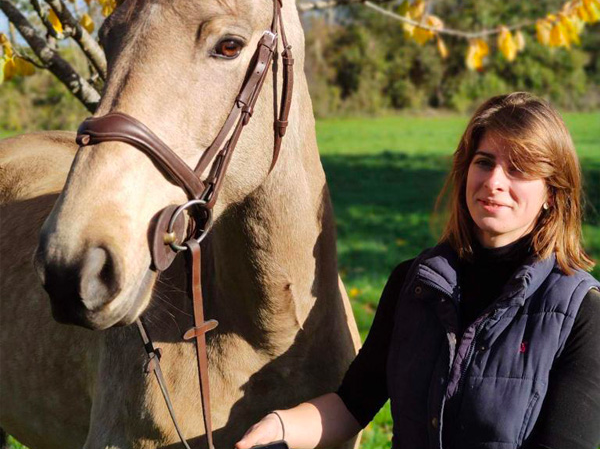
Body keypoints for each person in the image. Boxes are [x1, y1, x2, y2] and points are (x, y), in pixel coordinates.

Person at [236, 92, 600, 449]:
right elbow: (351, 406)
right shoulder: (415, 284)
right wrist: (279, 426)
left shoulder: (582, 312)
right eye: (485, 162)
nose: (494, 182)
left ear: (552, 192)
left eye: (518, 169)